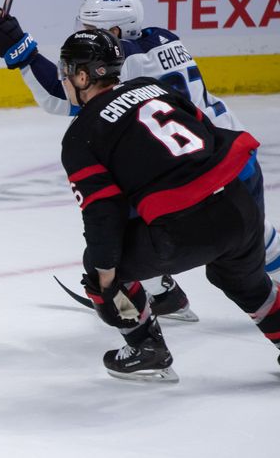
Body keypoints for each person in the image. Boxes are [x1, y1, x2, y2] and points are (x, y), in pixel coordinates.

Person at [0, 0, 280, 319]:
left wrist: (22, 52)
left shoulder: (125, 63)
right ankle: (176, 295)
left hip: (194, 169)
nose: (84, 37)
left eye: (91, 31)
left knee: (122, 229)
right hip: (232, 152)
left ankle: (160, 301)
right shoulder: (163, 38)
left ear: (116, 32)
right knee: (253, 237)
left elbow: (64, 94)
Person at [55, 29, 280, 381]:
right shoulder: (152, 86)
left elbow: (103, 214)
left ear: (83, 76)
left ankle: (146, 348)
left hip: (184, 229)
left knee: (100, 264)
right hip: (239, 202)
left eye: (67, 72)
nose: (65, 80)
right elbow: (207, 130)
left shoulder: (81, 134)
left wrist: (106, 277)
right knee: (246, 281)